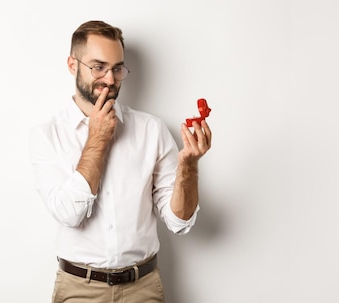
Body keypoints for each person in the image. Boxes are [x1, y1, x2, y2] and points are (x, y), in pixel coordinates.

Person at [28, 20, 212, 302]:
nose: (110, 79)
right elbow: (68, 214)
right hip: (79, 290)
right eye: (98, 67)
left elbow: (179, 222)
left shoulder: (152, 129)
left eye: (117, 68)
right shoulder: (47, 135)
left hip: (143, 288)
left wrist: (188, 165)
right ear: (72, 65)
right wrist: (98, 139)